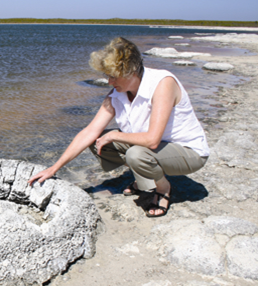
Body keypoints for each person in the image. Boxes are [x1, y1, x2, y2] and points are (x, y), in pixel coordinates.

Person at [28, 37, 210, 218]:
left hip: (188, 152)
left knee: (135, 153)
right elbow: (89, 131)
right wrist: (54, 168)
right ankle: (145, 176)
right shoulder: (117, 94)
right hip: (156, 150)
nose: (109, 81)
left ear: (130, 71)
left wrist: (115, 135)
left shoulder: (162, 84)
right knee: (98, 141)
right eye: (107, 76)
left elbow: (152, 140)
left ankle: (163, 188)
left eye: (113, 76)